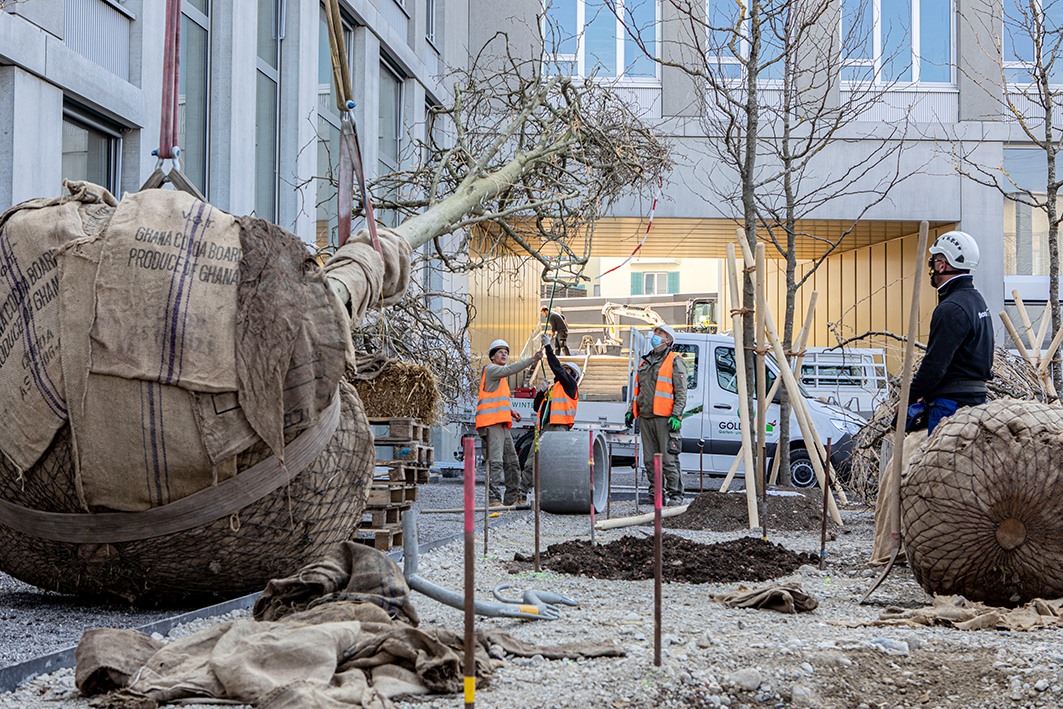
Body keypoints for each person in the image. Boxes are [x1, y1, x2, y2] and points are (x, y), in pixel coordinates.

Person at [908, 230, 994, 434]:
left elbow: (935, 365)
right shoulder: (976, 300)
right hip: (976, 402)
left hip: (951, 406)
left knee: (940, 464)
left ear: (942, 264)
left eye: (934, 262)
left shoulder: (951, 308)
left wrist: (910, 398)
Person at [476, 338, 544, 506]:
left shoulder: (500, 379)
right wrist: (533, 360)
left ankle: (511, 498)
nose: (504, 354)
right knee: (497, 462)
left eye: (506, 352)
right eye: (500, 352)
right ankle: (493, 498)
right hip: (491, 425)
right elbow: (511, 369)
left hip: (501, 423)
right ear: (492, 357)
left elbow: (496, 402)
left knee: (512, 463)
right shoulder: (491, 370)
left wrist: (511, 412)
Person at [625, 325, 687, 506]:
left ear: (668, 340)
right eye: (656, 333)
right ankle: (655, 494)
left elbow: (681, 392)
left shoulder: (674, 360)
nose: (655, 336)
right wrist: (631, 411)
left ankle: (675, 495)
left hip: (665, 418)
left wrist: (676, 415)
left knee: (669, 458)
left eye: (660, 334)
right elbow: (638, 391)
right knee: (650, 460)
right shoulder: (646, 362)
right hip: (646, 416)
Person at [520, 337, 581, 492]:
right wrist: (541, 392)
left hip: (559, 429)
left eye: (569, 371)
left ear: (574, 376)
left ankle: (553, 493)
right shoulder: (553, 389)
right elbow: (536, 407)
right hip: (543, 430)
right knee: (531, 462)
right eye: (565, 369)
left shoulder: (570, 386)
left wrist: (548, 347)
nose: (565, 372)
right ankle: (523, 492)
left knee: (553, 463)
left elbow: (557, 369)